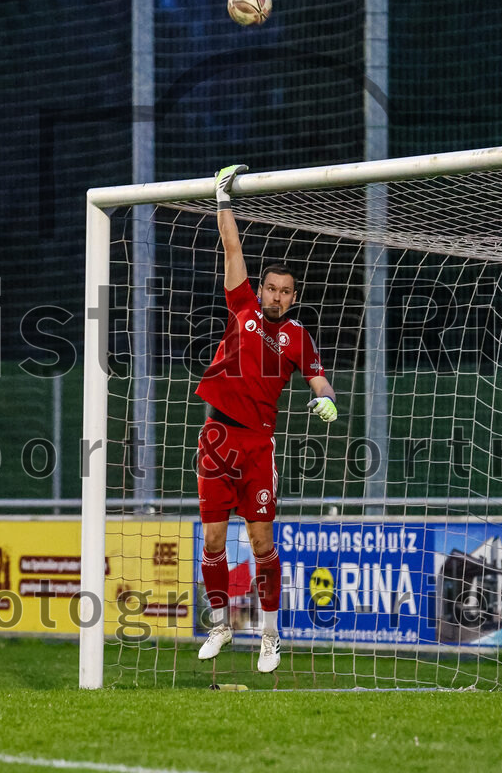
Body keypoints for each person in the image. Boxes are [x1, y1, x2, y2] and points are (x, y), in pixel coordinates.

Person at [194, 164, 338, 673]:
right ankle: (220, 625)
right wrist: (222, 199)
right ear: (263, 289)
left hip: (258, 446)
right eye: (271, 288)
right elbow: (232, 246)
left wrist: (328, 399)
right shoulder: (242, 307)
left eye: (285, 291)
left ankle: (270, 636)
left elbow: (319, 379)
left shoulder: (298, 337)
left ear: (294, 297)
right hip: (217, 438)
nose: (276, 296)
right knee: (213, 540)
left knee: (261, 542)